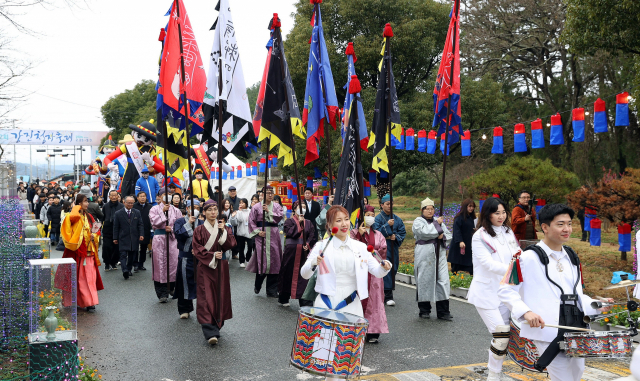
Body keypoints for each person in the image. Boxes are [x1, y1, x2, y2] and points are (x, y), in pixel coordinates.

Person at [498, 204, 613, 381]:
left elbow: (576, 295)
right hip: (548, 332)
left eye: (569, 223)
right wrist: (526, 312)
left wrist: (597, 305)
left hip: (576, 330)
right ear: (545, 227)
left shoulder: (572, 257)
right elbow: (505, 289)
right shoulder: (526, 258)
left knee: (576, 375)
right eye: (560, 224)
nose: (567, 229)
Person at [300, 206, 391, 381]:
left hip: (351, 304)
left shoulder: (360, 247)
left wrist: (384, 266)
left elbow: (377, 271)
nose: (344, 224)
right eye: (338, 220)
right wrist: (313, 264)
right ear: (329, 224)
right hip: (325, 304)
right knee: (326, 355)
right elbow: (305, 273)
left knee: (347, 355)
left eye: (346, 219)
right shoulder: (321, 246)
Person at [467, 197, 519, 380]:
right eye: (497, 213)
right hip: (486, 293)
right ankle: (494, 375)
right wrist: (512, 269)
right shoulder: (479, 236)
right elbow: (487, 264)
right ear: (487, 214)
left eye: (504, 212)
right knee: (501, 334)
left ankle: (495, 370)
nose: (501, 216)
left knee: (506, 336)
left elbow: (516, 254)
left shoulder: (507, 231)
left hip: (506, 291)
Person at [192, 200, 236, 345]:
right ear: (204, 212)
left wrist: (223, 231)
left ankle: (217, 323)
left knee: (220, 294)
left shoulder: (224, 227)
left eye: (215, 210)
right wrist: (211, 255)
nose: (213, 212)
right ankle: (209, 330)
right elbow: (197, 248)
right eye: (209, 210)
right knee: (205, 296)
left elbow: (231, 244)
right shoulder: (199, 230)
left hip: (221, 266)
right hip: (206, 267)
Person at [56, 194, 103, 311]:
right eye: (85, 201)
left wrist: (94, 235)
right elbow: (68, 228)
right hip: (76, 251)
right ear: (79, 203)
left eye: (87, 201)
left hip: (88, 251)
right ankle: (73, 301)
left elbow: (97, 231)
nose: (87, 204)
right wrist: (76, 208)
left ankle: (89, 302)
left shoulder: (90, 216)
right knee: (75, 278)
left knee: (89, 278)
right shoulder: (72, 217)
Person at [351, 205, 389, 343]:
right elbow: (351, 249)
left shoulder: (379, 234)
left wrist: (375, 253)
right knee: (358, 299)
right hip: (359, 271)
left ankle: (373, 331)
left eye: (372, 215)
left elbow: (383, 250)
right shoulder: (353, 233)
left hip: (374, 273)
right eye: (367, 214)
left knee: (375, 301)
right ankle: (357, 329)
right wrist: (360, 236)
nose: (370, 217)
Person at [413, 197, 453, 320]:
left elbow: (448, 234)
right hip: (425, 254)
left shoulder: (438, 220)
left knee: (443, 281)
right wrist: (437, 226)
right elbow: (424, 232)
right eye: (427, 209)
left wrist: (442, 237)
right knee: (424, 280)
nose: (430, 211)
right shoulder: (418, 221)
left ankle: (443, 311)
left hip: (439, 254)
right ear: (422, 210)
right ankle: (424, 310)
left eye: (432, 209)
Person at [246, 186, 283, 297]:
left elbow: (280, 217)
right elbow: (251, 221)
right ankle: (258, 283)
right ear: (262, 194)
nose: (270, 195)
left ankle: (271, 290)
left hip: (274, 234)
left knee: (275, 261)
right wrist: (257, 232)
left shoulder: (277, 206)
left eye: (271, 193)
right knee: (262, 260)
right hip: (261, 236)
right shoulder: (256, 207)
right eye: (267, 193)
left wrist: (269, 211)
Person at [278, 201, 316, 308]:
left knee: (304, 275)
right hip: (291, 252)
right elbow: (290, 233)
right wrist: (299, 224)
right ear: (294, 209)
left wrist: (308, 244)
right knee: (287, 273)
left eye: (304, 207)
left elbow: (312, 236)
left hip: (304, 253)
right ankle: (284, 296)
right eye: (300, 207)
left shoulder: (309, 222)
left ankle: (305, 300)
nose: (302, 209)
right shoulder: (289, 221)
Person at [372, 193, 406, 306]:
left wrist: (395, 237)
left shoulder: (397, 219)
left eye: (391, 204)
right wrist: (387, 226)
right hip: (382, 249)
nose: (389, 206)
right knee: (384, 268)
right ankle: (387, 296)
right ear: (382, 205)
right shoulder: (377, 219)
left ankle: (387, 293)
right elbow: (375, 232)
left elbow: (402, 232)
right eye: (387, 204)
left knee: (393, 269)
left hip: (393, 247)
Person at [149, 188, 181, 302]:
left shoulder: (176, 210)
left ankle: (171, 287)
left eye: (169, 194)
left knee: (173, 264)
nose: (167, 196)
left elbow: (179, 225)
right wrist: (162, 211)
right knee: (159, 265)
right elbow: (154, 222)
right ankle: (161, 293)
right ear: (160, 196)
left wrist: (171, 229)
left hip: (172, 240)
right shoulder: (154, 209)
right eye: (164, 194)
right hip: (159, 239)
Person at [174, 207, 204, 319]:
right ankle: (184, 309)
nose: (194, 209)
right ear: (187, 209)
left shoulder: (202, 222)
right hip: (185, 257)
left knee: (201, 284)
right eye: (192, 207)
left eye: (197, 207)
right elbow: (178, 235)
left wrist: (199, 249)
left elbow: (206, 238)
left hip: (200, 258)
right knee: (184, 283)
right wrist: (188, 223)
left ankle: (203, 311)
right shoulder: (179, 221)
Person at [113, 195, 144, 280]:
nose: (130, 204)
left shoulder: (136, 212)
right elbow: (116, 227)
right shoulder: (118, 213)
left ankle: (129, 269)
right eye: (129, 203)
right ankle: (124, 270)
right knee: (123, 255)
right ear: (124, 202)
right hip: (123, 237)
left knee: (132, 254)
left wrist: (141, 234)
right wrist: (115, 238)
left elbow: (140, 224)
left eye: (132, 203)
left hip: (134, 237)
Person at [448, 199, 477, 275]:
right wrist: (460, 241)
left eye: (473, 206)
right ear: (465, 207)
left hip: (468, 243)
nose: (471, 208)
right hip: (459, 244)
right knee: (456, 264)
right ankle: (453, 279)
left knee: (471, 264)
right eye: (470, 206)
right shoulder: (459, 218)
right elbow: (456, 230)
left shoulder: (472, 218)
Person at [102, 190, 124, 271]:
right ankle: (107, 263)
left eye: (116, 195)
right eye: (112, 195)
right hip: (107, 228)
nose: (114, 197)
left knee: (116, 247)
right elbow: (102, 217)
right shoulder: (105, 206)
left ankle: (113, 262)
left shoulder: (121, 206)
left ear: (118, 196)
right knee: (107, 247)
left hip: (118, 229)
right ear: (109, 196)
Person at [133, 191, 152, 271]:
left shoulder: (150, 207)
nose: (142, 198)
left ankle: (141, 264)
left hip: (146, 229)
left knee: (144, 248)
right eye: (141, 196)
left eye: (144, 196)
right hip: (135, 230)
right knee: (135, 248)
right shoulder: (134, 206)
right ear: (137, 198)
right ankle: (135, 264)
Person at [229, 198, 251, 267]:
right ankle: (242, 261)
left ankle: (248, 258)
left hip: (249, 231)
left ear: (246, 203)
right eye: (240, 203)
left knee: (250, 246)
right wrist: (240, 211)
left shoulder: (250, 211)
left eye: (243, 203)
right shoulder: (238, 212)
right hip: (241, 231)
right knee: (241, 247)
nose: (241, 204)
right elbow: (240, 220)